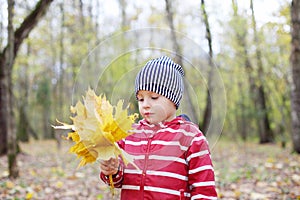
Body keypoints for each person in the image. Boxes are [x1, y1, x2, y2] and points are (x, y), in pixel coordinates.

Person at [99, 56, 217, 200]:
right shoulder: (130, 135)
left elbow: (204, 189)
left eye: (154, 97)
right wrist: (112, 170)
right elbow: (118, 180)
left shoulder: (190, 137)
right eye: (140, 99)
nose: (145, 104)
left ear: (173, 99)